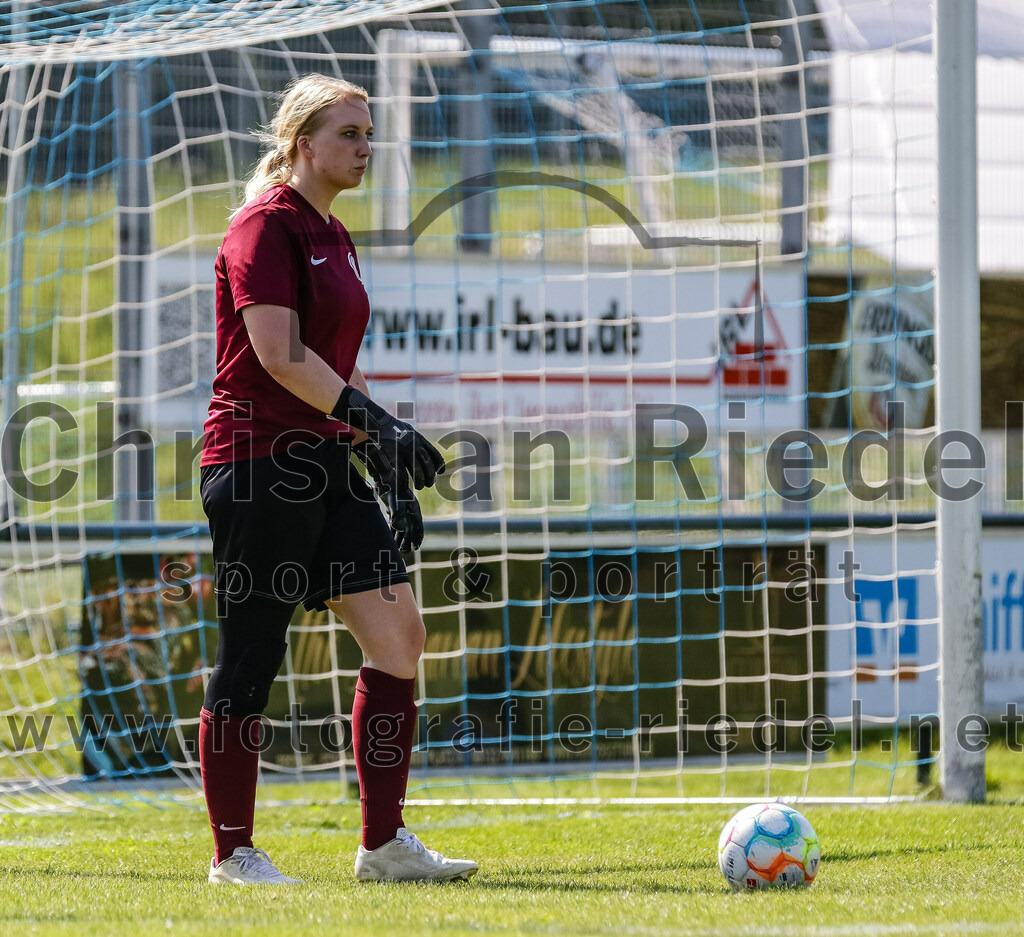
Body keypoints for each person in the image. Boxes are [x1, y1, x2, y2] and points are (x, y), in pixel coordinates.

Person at [198, 73, 477, 886]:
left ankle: (383, 845)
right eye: (349, 133)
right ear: (300, 144)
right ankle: (232, 854)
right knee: (252, 654)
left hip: (323, 458)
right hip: (255, 464)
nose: (365, 146)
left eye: (368, 131)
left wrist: (376, 459)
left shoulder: (337, 234)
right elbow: (279, 358)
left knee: (400, 636)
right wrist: (377, 425)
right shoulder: (264, 228)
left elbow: (325, 371)